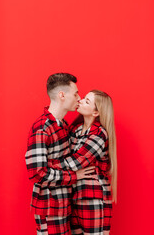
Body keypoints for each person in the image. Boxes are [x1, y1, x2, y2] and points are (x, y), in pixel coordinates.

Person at [25, 73, 95, 235]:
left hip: (64, 205)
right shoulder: (41, 128)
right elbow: (37, 174)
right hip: (49, 208)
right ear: (62, 95)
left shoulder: (63, 125)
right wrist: (74, 176)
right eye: (76, 93)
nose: (79, 98)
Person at [51, 90, 117, 235]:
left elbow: (76, 162)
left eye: (87, 101)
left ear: (95, 113)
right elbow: (63, 154)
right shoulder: (75, 129)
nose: (80, 100)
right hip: (74, 195)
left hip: (92, 196)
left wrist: (46, 166)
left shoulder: (99, 133)